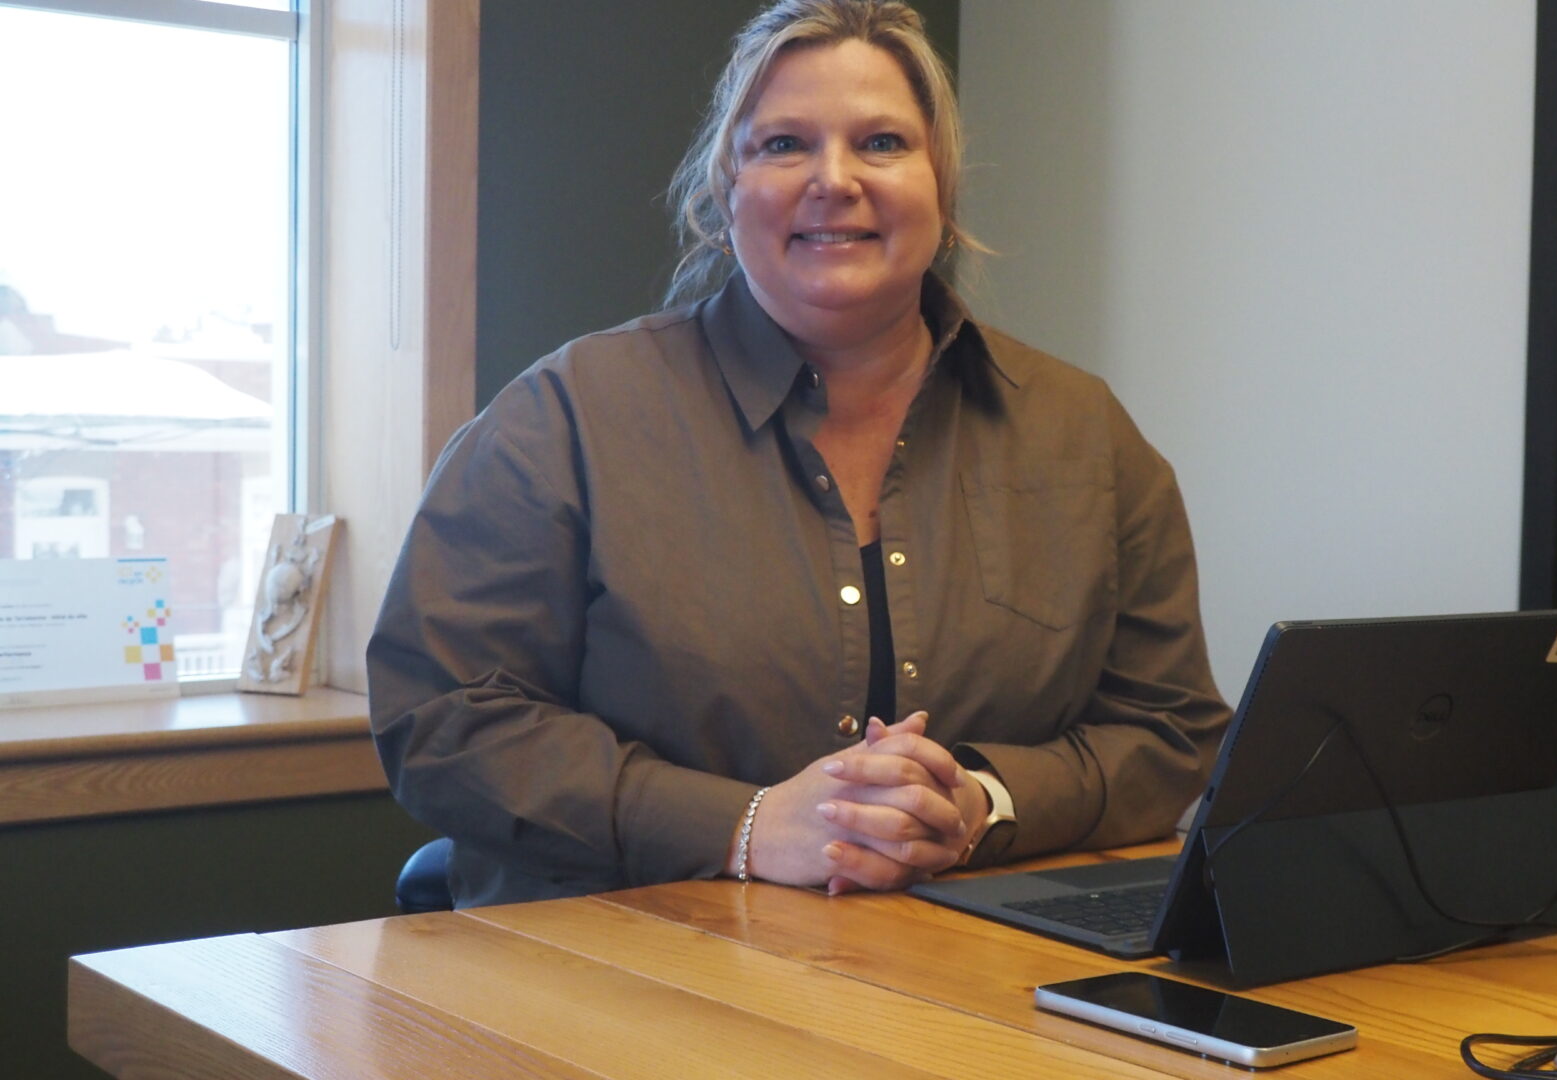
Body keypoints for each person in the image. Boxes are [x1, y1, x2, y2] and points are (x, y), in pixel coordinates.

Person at [367, 0, 1230, 907]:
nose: (835, 179)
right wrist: (742, 827)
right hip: (624, 975)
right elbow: (445, 719)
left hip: (964, 977)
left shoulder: (1087, 436)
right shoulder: (565, 420)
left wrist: (984, 802)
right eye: (784, 144)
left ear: (942, 182)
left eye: (883, 143)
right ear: (727, 184)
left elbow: (1169, 730)